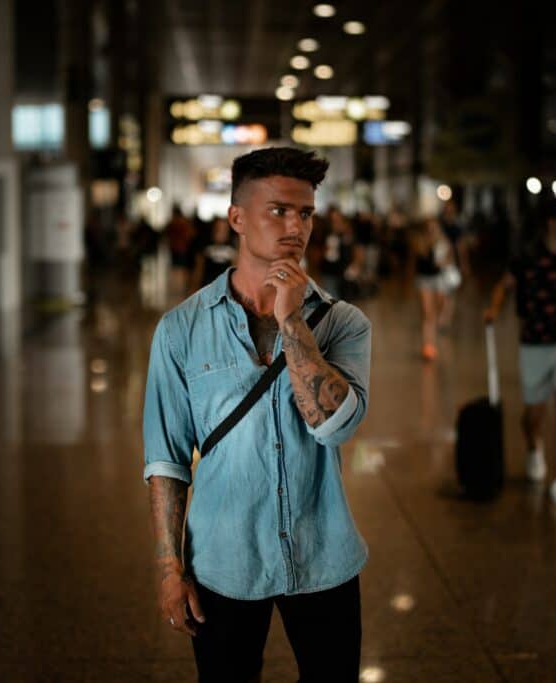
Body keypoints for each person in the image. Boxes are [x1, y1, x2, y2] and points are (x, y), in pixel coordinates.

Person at [143, 147, 371, 682]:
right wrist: (170, 570)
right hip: (225, 560)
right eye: (279, 210)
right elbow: (167, 460)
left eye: (307, 212)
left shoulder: (343, 323)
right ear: (237, 218)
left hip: (324, 554)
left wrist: (292, 318)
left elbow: (337, 424)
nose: (296, 225)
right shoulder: (181, 330)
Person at [483, 198, 556, 508]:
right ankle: (534, 446)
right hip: (535, 342)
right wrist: (494, 308)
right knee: (534, 414)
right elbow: (504, 286)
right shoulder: (528, 257)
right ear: (552, 223)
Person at [412, 217, 457, 361]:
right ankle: (428, 344)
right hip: (423, 279)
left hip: (439, 279)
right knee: (427, 312)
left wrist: (443, 262)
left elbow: (451, 259)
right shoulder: (419, 242)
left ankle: (433, 339)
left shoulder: (444, 242)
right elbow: (414, 261)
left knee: (437, 310)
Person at [192, 216, 237, 290]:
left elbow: (235, 270)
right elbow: (199, 269)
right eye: (218, 229)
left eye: (224, 229)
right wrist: (194, 286)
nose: (221, 232)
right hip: (207, 285)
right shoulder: (205, 245)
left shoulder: (231, 247)